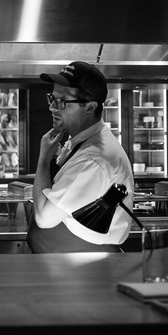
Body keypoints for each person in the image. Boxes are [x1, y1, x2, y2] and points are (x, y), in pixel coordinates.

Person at [27, 61, 134, 253]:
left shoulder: (94, 159)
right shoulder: (80, 143)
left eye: (62, 102)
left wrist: (43, 159)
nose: (52, 108)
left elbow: (44, 218)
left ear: (90, 107)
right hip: (62, 264)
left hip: (81, 266)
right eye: (52, 98)